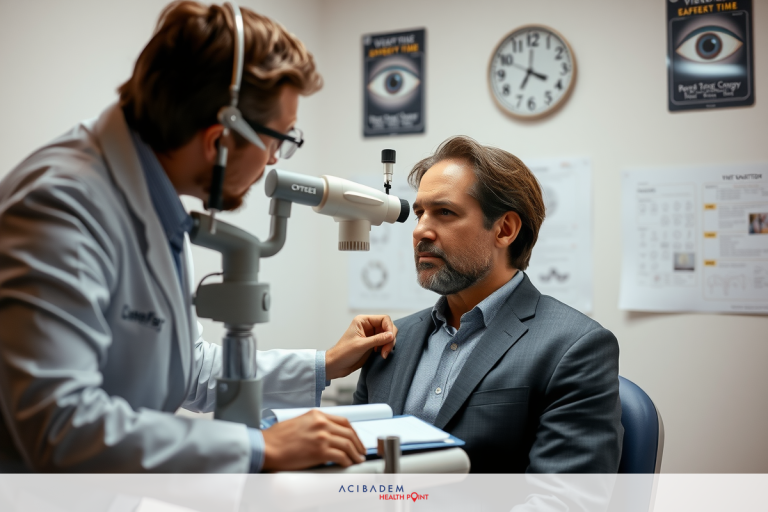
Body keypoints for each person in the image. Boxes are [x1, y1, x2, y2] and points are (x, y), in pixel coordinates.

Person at [0, 1, 396, 473]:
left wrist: (325, 364)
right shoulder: (63, 206)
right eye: (278, 140)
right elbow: (57, 423)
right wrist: (258, 449)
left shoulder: (155, 200)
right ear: (220, 139)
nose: (274, 160)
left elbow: (187, 368)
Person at [354, 136, 623, 473]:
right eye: (420, 213)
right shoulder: (390, 341)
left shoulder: (574, 347)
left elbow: (565, 498)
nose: (420, 230)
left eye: (445, 212)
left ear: (504, 229)